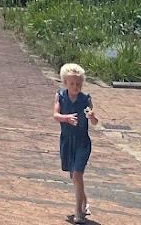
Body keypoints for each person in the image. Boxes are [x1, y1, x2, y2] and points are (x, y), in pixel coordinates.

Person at [54, 62, 100, 223]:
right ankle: (84, 201)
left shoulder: (85, 100)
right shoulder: (61, 96)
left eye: (78, 84)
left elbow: (94, 121)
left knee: (78, 174)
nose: (75, 87)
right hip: (67, 141)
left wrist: (92, 116)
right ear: (65, 83)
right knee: (74, 176)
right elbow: (55, 115)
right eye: (72, 83)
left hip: (82, 142)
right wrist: (66, 118)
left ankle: (78, 212)